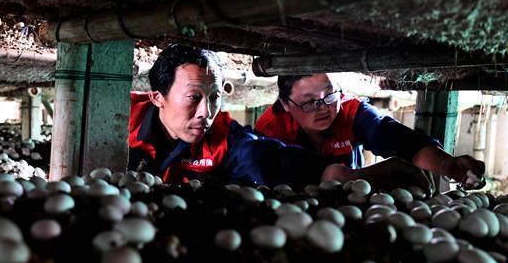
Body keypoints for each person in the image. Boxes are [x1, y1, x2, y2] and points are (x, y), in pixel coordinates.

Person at [128, 45, 432, 190]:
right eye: (194, 97)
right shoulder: (118, 119)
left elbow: (272, 159)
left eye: (215, 97)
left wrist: (348, 177)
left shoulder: (224, 136)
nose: (206, 112)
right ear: (157, 98)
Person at [255, 73, 486, 188]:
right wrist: (364, 177)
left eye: (330, 95)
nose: (323, 107)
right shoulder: (270, 130)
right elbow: (273, 177)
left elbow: (398, 139)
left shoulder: (351, 111)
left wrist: (447, 165)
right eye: (309, 101)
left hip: (352, 203)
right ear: (285, 104)